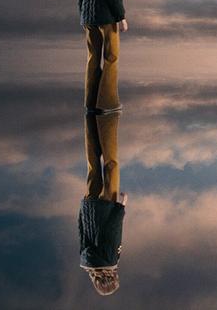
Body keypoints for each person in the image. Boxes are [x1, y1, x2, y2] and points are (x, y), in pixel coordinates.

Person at [79, 0, 128, 114]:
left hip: (89, 18)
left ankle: (90, 104)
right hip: (106, 18)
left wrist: (83, 16)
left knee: (92, 58)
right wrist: (121, 17)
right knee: (111, 57)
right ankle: (107, 103)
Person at [79, 111, 127, 296]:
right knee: (92, 163)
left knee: (111, 163)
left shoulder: (111, 260)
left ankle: (108, 117)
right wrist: (83, 208)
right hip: (89, 206)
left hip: (107, 206)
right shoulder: (84, 261)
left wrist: (122, 206)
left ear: (111, 278)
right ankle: (90, 117)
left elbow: (113, 230)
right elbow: (81, 229)